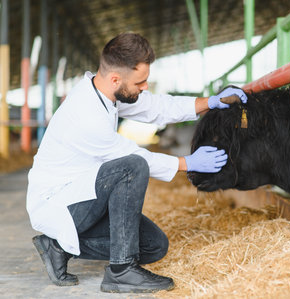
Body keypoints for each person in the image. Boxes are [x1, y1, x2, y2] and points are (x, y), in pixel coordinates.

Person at [26, 32, 247, 293]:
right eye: (140, 82)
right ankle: (121, 271)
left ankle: (57, 246)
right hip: (60, 201)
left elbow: (156, 107)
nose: (144, 87)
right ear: (116, 78)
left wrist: (209, 102)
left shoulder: (107, 93)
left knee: (154, 246)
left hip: (85, 192)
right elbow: (134, 158)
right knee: (132, 166)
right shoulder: (86, 114)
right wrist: (187, 163)